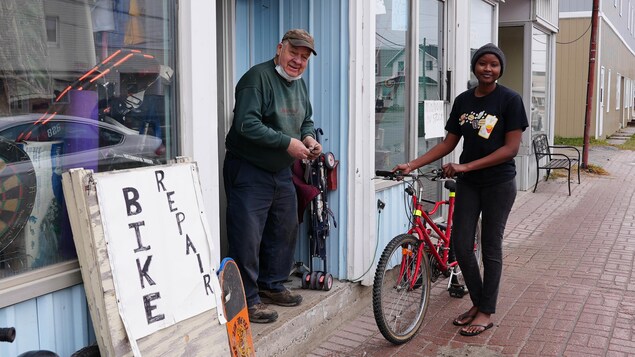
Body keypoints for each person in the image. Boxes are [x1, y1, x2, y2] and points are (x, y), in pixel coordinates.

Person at [393, 43, 528, 336]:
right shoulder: (464, 101)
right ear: (475, 66)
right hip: (470, 185)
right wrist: (411, 164)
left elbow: (510, 149)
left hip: (499, 184)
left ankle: (486, 311)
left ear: (500, 68)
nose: (488, 69)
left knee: (491, 247)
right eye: (482, 64)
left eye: (494, 64)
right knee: (462, 246)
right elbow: (448, 143)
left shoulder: (510, 100)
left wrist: (465, 167)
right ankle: (479, 304)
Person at [223, 29, 321, 324]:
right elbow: (246, 124)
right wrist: (287, 143)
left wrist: (307, 138)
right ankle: (247, 300)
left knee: (284, 228)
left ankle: (271, 285)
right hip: (249, 168)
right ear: (280, 49)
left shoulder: (299, 84)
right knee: (247, 236)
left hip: (280, 169)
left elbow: (306, 119)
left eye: (304, 57)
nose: (298, 61)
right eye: (294, 53)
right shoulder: (257, 78)